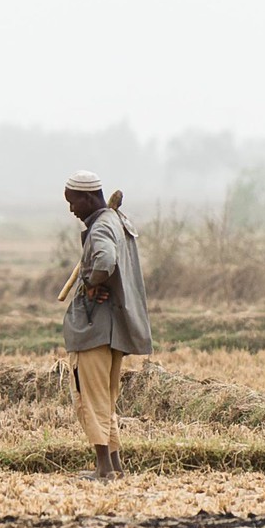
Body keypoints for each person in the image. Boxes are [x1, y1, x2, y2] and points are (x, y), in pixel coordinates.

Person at [60, 169, 152, 481]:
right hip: (116, 327)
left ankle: (102, 467)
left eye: (74, 203)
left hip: (95, 326)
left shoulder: (100, 229)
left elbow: (104, 261)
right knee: (106, 397)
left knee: (90, 397)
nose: (72, 210)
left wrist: (89, 283)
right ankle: (114, 465)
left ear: (88, 198)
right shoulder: (117, 221)